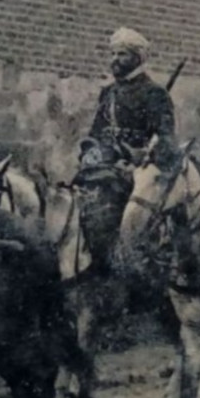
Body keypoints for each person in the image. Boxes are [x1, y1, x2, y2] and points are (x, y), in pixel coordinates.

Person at [76, 27, 179, 267]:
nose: (115, 60)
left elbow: (166, 140)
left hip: (136, 173)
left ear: (138, 57)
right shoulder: (108, 93)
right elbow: (95, 134)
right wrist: (90, 156)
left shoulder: (155, 94)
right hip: (104, 167)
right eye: (113, 54)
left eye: (122, 54)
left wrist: (138, 160)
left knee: (107, 219)